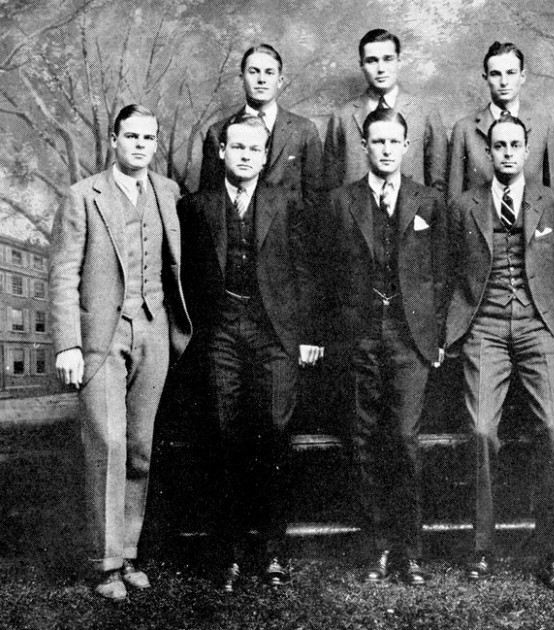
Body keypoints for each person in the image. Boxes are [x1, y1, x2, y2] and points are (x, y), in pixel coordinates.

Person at [49, 104, 192, 601]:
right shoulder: (81, 196)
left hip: (154, 331)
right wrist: (68, 343)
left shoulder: (169, 192)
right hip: (101, 337)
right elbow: (63, 274)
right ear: (114, 139)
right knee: (107, 444)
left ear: (156, 142)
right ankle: (106, 564)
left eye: (149, 138)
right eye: (131, 136)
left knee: (139, 447)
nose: (140, 145)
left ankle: (129, 554)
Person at [445, 115, 554, 594]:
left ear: (526, 150)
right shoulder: (463, 205)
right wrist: (450, 329)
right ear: (488, 153)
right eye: (499, 146)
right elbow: (442, 270)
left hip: (538, 326)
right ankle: (481, 549)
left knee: (550, 427)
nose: (507, 153)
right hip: (483, 327)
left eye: (515, 145)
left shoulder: (552, 202)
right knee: (482, 430)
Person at [180, 113, 320, 591]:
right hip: (220, 332)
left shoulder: (288, 203)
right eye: (236, 147)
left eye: (253, 149)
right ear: (221, 152)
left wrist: (305, 335)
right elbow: (184, 277)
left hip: (273, 333)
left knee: (275, 431)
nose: (244, 155)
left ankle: (274, 551)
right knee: (223, 433)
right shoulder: (196, 206)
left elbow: (306, 272)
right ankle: (229, 554)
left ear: (265, 156)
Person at [322, 108, 447, 585]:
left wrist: (435, 335)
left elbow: (442, 273)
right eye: (378, 141)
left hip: (409, 336)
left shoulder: (428, 201)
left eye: (395, 141)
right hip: (358, 335)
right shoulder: (341, 202)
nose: (387, 149)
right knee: (363, 439)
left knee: (405, 440)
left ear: (406, 145)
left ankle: (410, 552)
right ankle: (376, 549)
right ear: (365, 146)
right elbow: (325, 273)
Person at [198, 43, 323, 213]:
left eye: (269, 72)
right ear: (242, 79)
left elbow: (314, 199)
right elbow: (208, 200)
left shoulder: (304, 130)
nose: (261, 79)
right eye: (253, 71)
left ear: (280, 81)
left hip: (288, 226)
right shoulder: (218, 132)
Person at [324, 28, 448, 193]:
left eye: (388, 59)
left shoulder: (425, 113)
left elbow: (438, 184)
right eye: (372, 61)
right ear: (361, 65)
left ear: (399, 61)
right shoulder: (342, 117)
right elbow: (330, 186)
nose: (381, 68)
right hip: (357, 208)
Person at [448, 42, 554, 202]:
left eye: (511, 73)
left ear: (522, 76)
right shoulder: (464, 129)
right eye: (496, 74)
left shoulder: (545, 128)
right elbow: (454, 200)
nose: (504, 82)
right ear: (486, 78)